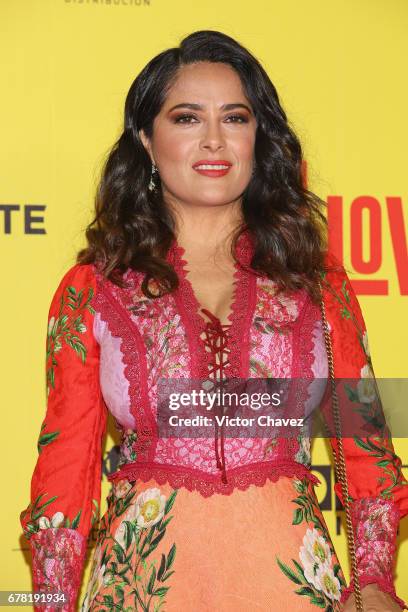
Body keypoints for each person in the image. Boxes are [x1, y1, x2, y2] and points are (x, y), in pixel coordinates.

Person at [20, 30, 408, 612]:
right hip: (138, 591)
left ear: (259, 138)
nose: (213, 140)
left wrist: (376, 582)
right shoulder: (94, 289)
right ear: (147, 141)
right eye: (185, 118)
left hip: (293, 588)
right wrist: (48, 603)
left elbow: (366, 441)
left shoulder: (316, 280)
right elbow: (64, 472)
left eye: (235, 118)